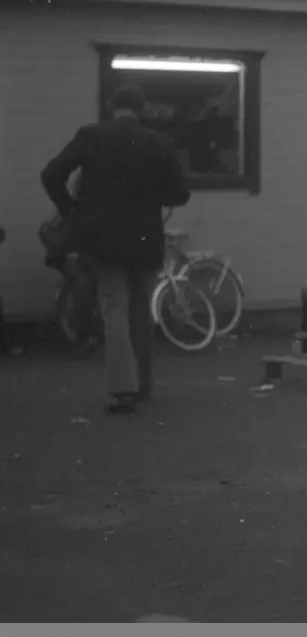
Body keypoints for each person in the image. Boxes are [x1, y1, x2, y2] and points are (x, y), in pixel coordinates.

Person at [41, 83, 191, 415]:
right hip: (145, 239)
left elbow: (51, 174)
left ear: (112, 107)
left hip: (102, 240)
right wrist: (150, 195)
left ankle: (124, 389)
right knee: (141, 312)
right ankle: (144, 383)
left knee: (115, 311)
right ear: (142, 109)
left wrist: (71, 209)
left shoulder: (91, 136)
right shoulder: (159, 143)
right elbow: (180, 194)